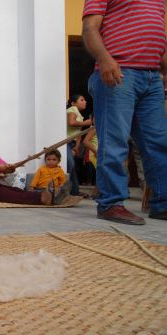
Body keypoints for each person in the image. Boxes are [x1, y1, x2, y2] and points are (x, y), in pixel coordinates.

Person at [83, 0, 167, 223]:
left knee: (158, 142)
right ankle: (111, 203)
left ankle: (162, 203)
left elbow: (156, 33)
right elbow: (90, 27)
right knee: (114, 142)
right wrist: (104, 59)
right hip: (118, 72)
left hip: (152, 76)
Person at [0, 127, 63, 206]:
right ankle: (41, 198)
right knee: (3, 193)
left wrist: (10, 168)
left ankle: (47, 195)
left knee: (15, 190)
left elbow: (3, 165)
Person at [66, 94, 92, 197]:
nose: (85, 102)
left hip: (72, 143)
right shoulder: (72, 109)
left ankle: (74, 191)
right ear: (73, 103)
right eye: (81, 100)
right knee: (70, 165)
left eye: (84, 100)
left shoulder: (80, 116)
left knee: (72, 166)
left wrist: (76, 147)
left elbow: (79, 134)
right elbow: (71, 123)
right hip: (66, 141)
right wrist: (86, 123)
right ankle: (68, 190)